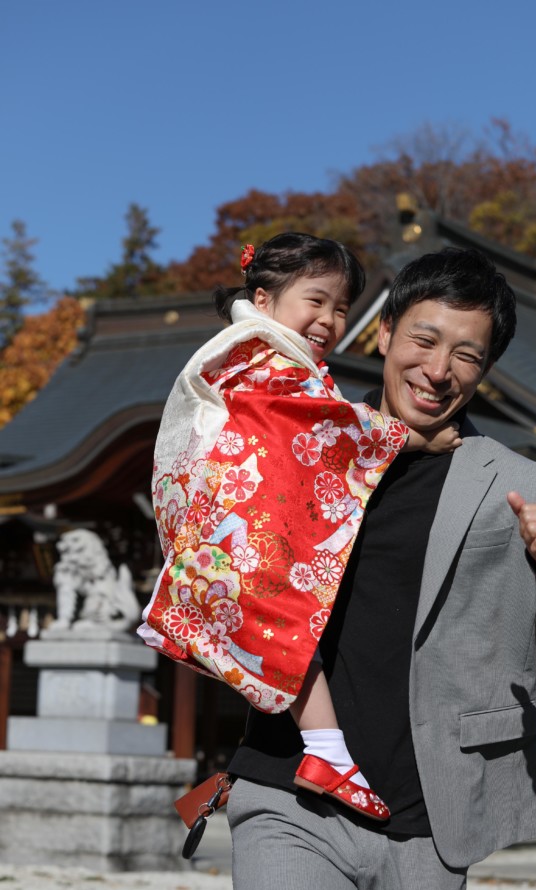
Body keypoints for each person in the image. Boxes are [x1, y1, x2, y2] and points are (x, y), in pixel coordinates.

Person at [224, 246, 536, 890]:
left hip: (427, 821)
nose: (437, 369)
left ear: (485, 371)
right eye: (423, 339)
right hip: (289, 794)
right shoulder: (302, 444)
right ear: (383, 334)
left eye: (465, 355)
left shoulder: (514, 485)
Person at [139, 233, 459, 822]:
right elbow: (323, 427)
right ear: (263, 298)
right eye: (316, 301)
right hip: (236, 532)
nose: (329, 320)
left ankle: (326, 750)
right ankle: (328, 752)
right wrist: (413, 439)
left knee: (287, 629)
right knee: (291, 616)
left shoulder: (261, 354)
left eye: (341, 309)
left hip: (234, 526)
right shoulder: (266, 359)